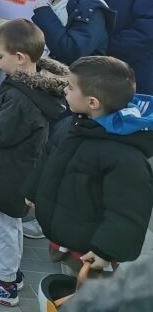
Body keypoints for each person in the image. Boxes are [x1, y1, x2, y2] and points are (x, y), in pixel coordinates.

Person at [0, 19, 69, 306]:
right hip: (13, 170)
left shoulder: (24, 98)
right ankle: (6, 270)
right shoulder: (25, 86)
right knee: (8, 224)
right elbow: (4, 111)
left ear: (19, 58)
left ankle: (4, 284)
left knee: (2, 227)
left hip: (9, 173)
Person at [25, 56, 153, 268]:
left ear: (92, 102)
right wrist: (32, 190)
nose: (65, 89)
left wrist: (105, 250)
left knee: (83, 295)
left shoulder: (126, 158)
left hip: (89, 252)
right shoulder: (71, 125)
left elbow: (127, 213)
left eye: (71, 87)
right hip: (63, 233)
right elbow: (49, 157)